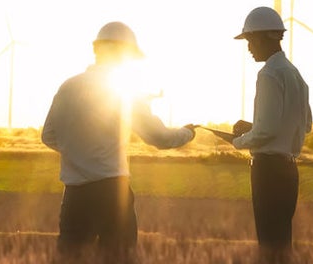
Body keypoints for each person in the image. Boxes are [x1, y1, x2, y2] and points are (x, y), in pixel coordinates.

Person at [41, 22, 198, 262]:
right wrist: (187, 134)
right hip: (112, 194)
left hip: (74, 197)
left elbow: (48, 135)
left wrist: (77, 152)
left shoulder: (68, 86)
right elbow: (159, 137)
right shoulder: (126, 91)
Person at [221, 7, 313, 263]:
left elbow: (266, 131)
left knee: (269, 247)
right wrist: (254, 125)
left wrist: (239, 141)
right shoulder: (296, 75)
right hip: (289, 172)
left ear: (265, 38)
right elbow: (304, 124)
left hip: (268, 172)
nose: (249, 48)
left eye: (250, 40)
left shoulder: (268, 74)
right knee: (282, 244)